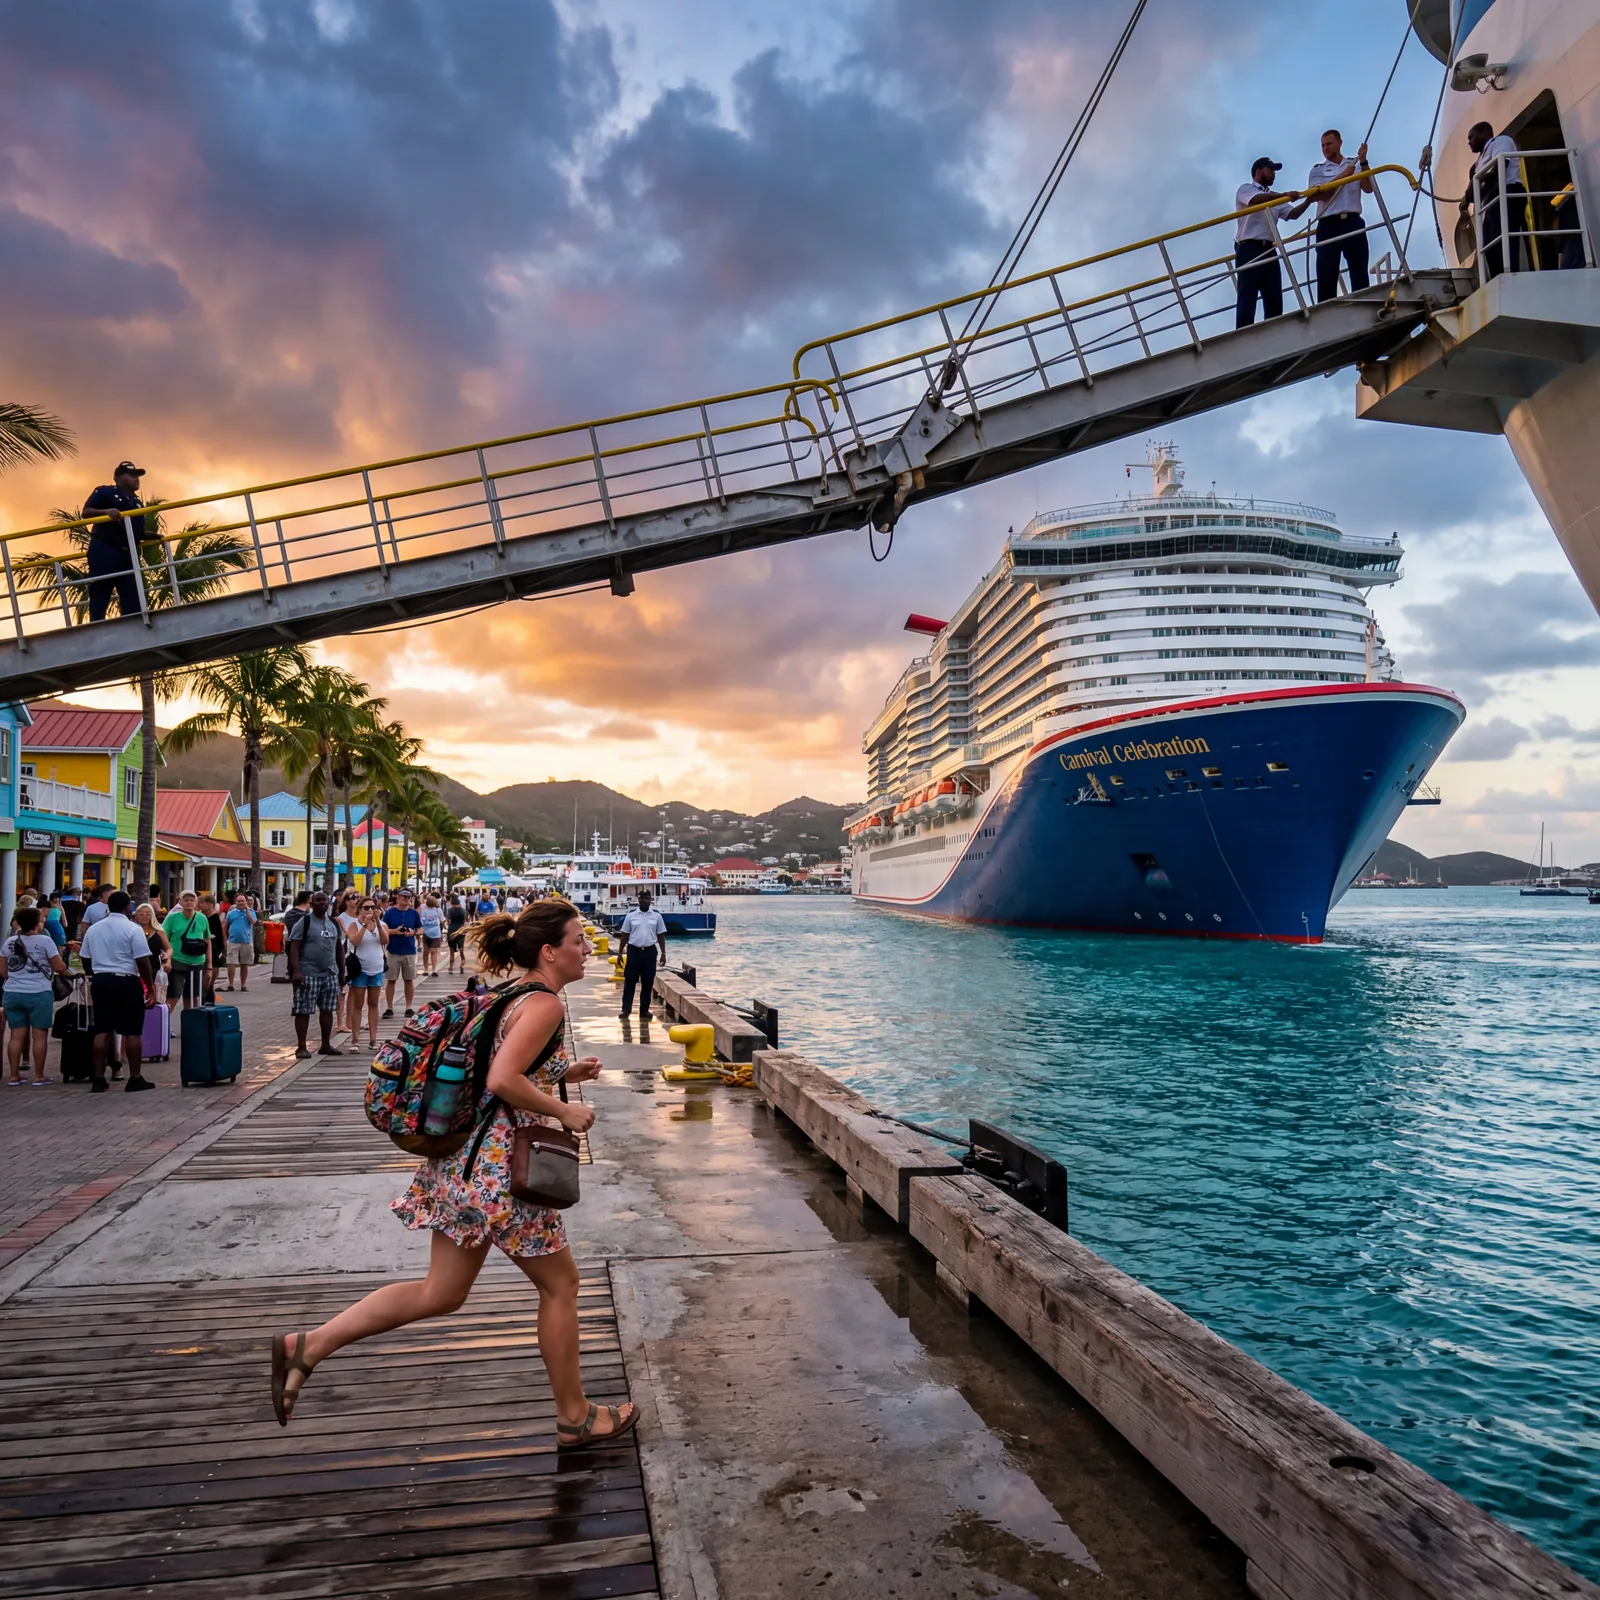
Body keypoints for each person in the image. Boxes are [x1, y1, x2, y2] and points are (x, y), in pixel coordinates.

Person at [268, 901, 635, 1453]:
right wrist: (564, 1111)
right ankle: (575, 1417)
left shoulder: (515, 995)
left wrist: (563, 1070)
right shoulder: (546, 1006)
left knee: (440, 1292)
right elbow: (504, 1077)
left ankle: (309, 1345)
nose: (587, 949)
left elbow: (505, 1060)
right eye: (579, 940)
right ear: (549, 951)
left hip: (464, 1168)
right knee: (561, 1286)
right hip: (504, 1174)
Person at [79, 891, 158, 1092]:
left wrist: (94, 974)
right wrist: (149, 987)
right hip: (126, 981)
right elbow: (142, 960)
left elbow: (85, 957)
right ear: (127, 908)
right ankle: (135, 1077)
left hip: (101, 980)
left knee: (102, 1029)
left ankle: (98, 1078)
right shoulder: (133, 928)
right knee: (132, 1031)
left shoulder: (94, 929)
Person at [1289, 130, 1373, 302]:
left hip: (1352, 221)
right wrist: (1344, 175)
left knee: (1359, 270)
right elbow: (1319, 195)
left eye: (1329, 144)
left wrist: (1363, 162)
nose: (1325, 148)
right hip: (1329, 225)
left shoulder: (1354, 164)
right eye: (1323, 145)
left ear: (1340, 143)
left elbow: (1368, 188)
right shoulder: (1317, 170)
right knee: (1327, 273)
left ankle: (1364, 302)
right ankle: (1326, 310)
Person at [0, 906, 71, 1087]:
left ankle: (14, 1076)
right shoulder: (45, 941)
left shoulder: (8, 942)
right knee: (39, 1036)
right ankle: (39, 1075)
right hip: (39, 993)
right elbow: (60, 967)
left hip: (13, 992)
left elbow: (2, 972)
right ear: (36, 923)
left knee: (16, 1036)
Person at [1233, 158, 1300, 328]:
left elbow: (1292, 214)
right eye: (1270, 170)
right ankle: (1243, 335)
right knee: (1247, 297)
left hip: (1269, 248)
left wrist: (1310, 199)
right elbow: (1257, 200)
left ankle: (1274, 330)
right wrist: (1285, 196)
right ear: (1259, 171)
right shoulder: (1246, 189)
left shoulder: (1274, 197)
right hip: (1249, 248)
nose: (1274, 174)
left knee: (1274, 297)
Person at [80, 461, 149, 623]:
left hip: (127, 553)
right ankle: (96, 625)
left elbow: (137, 529)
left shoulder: (136, 502)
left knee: (132, 593)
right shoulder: (106, 492)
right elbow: (86, 512)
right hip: (105, 551)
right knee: (101, 592)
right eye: (131, 475)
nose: (136, 479)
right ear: (118, 478)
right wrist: (107, 512)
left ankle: (133, 623)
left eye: (137, 476)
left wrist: (152, 536)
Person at [287, 889, 344, 1058]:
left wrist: (341, 971)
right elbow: (294, 947)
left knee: (327, 1010)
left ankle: (326, 1044)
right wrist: (296, 971)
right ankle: (301, 1047)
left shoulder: (333, 923)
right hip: (308, 974)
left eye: (324, 901)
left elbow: (339, 948)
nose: (322, 903)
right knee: (303, 1010)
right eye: (318, 900)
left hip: (330, 974)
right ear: (311, 904)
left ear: (329, 903)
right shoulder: (303, 922)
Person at [1466, 121, 1526, 280]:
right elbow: (1475, 189)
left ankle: (1510, 274)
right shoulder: (1478, 162)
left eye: (1471, 137)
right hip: (1492, 201)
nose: (1469, 142)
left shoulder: (1500, 141)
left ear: (1484, 133)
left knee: (1504, 239)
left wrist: (1477, 183)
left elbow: (1500, 165)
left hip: (1509, 193)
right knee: (1488, 245)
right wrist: (1468, 194)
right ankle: (1498, 277)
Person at [615, 889, 667, 1028]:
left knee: (647, 983)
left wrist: (663, 953)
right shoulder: (631, 916)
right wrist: (620, 952)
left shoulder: (657, 917)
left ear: (651, 900)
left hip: (650, 952)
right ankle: (626, 1010)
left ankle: (644, 1011)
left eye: (646, 898)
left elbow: (661, 935)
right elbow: (625, 934)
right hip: (634, 952)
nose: (644, 900)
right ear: (638, 900)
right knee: (630, 982)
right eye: (641, 898)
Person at [346, 898, 388, 1048]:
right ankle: (355, 1039)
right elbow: (355, 941)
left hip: (376, 969)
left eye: (372, 907)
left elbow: (385, 940)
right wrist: (364, 924)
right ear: (360, 909)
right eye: (366, 907)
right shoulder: (354, 924)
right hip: (360, 969)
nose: (369, 910)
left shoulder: (382, 925)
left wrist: (377, 923)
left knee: (373, 1004)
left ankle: (373, 1039)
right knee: (357, 1004)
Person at [162, 891, 211, 1015]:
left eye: (192, 900)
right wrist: (166, 958)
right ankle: (163, 1026)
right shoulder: (172, 917)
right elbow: (163, 937)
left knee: (193, 996)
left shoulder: (202, 918)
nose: (189, 902)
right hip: (177, 961)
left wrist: (209, 966)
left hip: (197, 962)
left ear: (196, 903)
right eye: (186, 900)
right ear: (180, 902)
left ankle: (190, 1026)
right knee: (174, 995)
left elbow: (207, 940)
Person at [381, 888, 423, 1020]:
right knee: (391, 980)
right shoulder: (389, 913)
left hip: (409, 950)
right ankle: (389, 1007)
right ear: (398, 898)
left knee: (409, 980)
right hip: (393, 950)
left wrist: (414, 933)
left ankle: (408, 1007)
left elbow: (421, 928)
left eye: (408, 897)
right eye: (403, 897)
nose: (406, 899)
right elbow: (383, 929)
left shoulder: (414, 913)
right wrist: (394, 932)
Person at [134, 901, 172, 1008]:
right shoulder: (132, 930)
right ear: (136, 915)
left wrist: (168, 959)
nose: (144, 916)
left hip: (155, 969)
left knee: (155, 1000)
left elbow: (168, 949)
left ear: (152, 915)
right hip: (136, 970)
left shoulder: (159, 931)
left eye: (147, 914)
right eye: (141, 914)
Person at [224, 891, 257, 992]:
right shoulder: (231, 913)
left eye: (243, 901)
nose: (241, 903)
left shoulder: (251, 912)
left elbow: (253, 922)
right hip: (233, 941)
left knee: (244, 964)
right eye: (239, 901)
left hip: (246, 941)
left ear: (246, 901)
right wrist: (225, 939)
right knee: (231, 963)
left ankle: (243, 985)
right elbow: (225, 926)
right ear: (235, 902)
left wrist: (247, 911)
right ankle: (231, 984)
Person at [418, 894, 444, 977]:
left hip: (434, 934)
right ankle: (427, 969)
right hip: (427, 933)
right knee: (428, 952)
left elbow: (442, 919)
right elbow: (442, 920)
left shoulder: (438, 910)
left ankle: (433, 969)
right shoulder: (424, 910)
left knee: (432, 951)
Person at [445, 895, 468, 974]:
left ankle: (451, 967)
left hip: (452, 930)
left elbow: (449, 922)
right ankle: (462, 965)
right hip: (461, 930)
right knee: (461, 949)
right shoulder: (463, 910)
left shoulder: (450, 910)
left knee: (452, 950)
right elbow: (465, 920)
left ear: (452, 903)